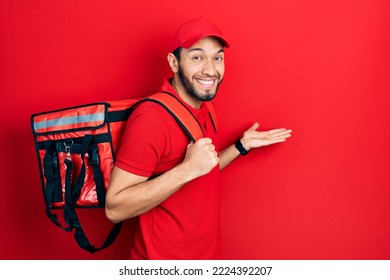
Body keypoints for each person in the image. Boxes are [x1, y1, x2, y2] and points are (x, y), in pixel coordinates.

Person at [105, 17, 292, 260]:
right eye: (197, 57)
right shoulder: (152, 118)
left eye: (217, 57)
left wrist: (240, 146)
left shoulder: (205, 106)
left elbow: (203, 168)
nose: (210, 70)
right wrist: (187, 169)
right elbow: (115, 208)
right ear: (174, 62)